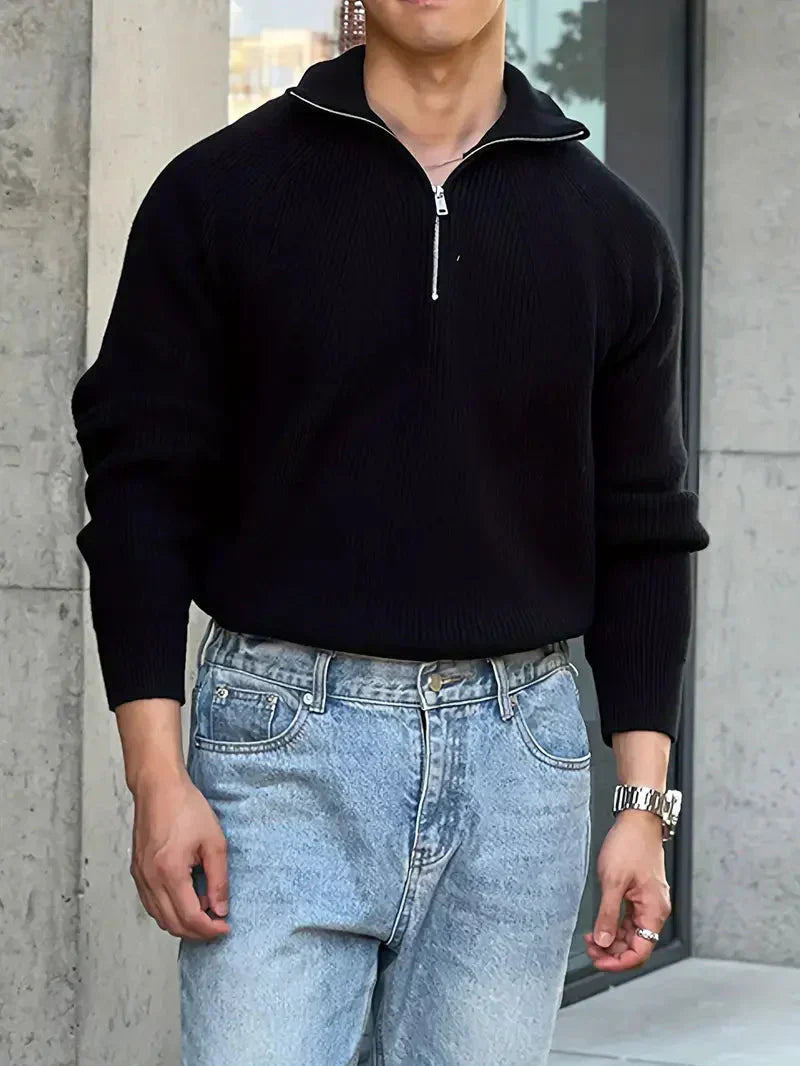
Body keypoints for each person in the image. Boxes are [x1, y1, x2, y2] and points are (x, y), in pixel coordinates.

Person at [71, 1, 710, 1063]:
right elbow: (139, 492)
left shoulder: (612, 232)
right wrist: (155, 774)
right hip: (280, 754)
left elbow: (642, 529)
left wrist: (642, 805)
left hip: (519, 768)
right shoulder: (218, 194)